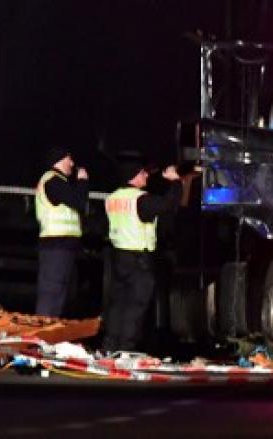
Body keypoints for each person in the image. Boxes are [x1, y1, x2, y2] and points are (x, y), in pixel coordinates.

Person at [101, 160, 182, 352]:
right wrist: (176, 182)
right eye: (143, 173)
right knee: (136, 305)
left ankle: (110, 344)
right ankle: (125, 348)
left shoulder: (112, 198)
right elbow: (168, 205)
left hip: (119, 257)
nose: (146, 176)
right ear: (134, 176)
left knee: (118, 304)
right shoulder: (140, 199)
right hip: (139, 260)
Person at [34, 151, 88, 317]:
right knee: (51, 295)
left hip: (62, 247)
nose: (72, 163)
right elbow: (78, 200)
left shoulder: (59, 181)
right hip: (55, 247)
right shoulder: (53, 181)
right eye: (69, 159)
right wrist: (83, 181)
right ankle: (41, 338)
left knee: (59, 296)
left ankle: (50, 337)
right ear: (59, 160)